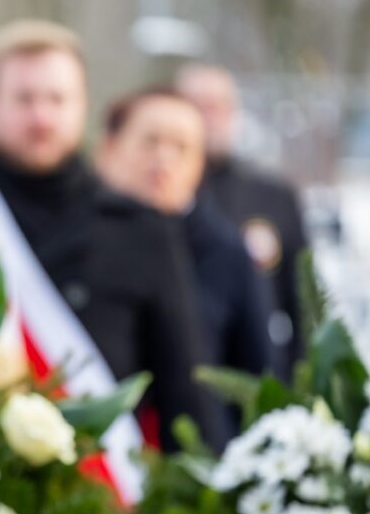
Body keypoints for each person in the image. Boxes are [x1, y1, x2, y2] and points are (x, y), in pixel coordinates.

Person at [0, 20, 223, 451]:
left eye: (57, 99)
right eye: (24, 98)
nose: (41, 117)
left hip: (102, 477)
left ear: (83, 104)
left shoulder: (141, 230)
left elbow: (187, 391)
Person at [97, 88, 274, 446]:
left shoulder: (227, 253)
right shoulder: (82, 237)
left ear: (200, 164)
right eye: (150, 141)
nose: (163, 158)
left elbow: (259, 375)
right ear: (111, 148)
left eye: (181, 147)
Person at [176, 63, 308, 377]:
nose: (209, 118)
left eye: (218, 106)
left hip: (256, 373)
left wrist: (297, 380)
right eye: (197, 106)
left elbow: (303, 302)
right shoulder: (160, 196)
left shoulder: (273, 197)